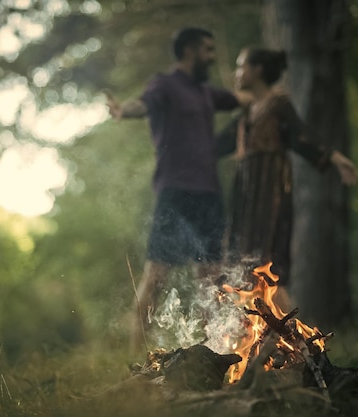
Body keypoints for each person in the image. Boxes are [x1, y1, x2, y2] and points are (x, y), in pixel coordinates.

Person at [106, 27, 251, 352]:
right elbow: (141, 104)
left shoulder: (206, 92)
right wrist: (121, 111)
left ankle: (209, 357)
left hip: (209, 196)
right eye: (208, 49)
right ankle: (134, 361)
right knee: (156, 277)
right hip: (175, 194)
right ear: (189, 50)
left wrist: (267, 95)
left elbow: (241, 100)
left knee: (211, 282)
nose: (212, 56)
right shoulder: (165, 85)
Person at [219, 47, 358, 309]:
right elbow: (217, 144)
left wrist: (337, 159)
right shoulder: (248, 111)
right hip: (246, 197)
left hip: (270, 193)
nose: (237, 72)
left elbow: (302, 137)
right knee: (243, 266)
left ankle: (299, 338)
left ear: (257, 70)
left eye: (241, 66)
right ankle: (255, 338)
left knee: (265, 266)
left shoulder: (279, 105)